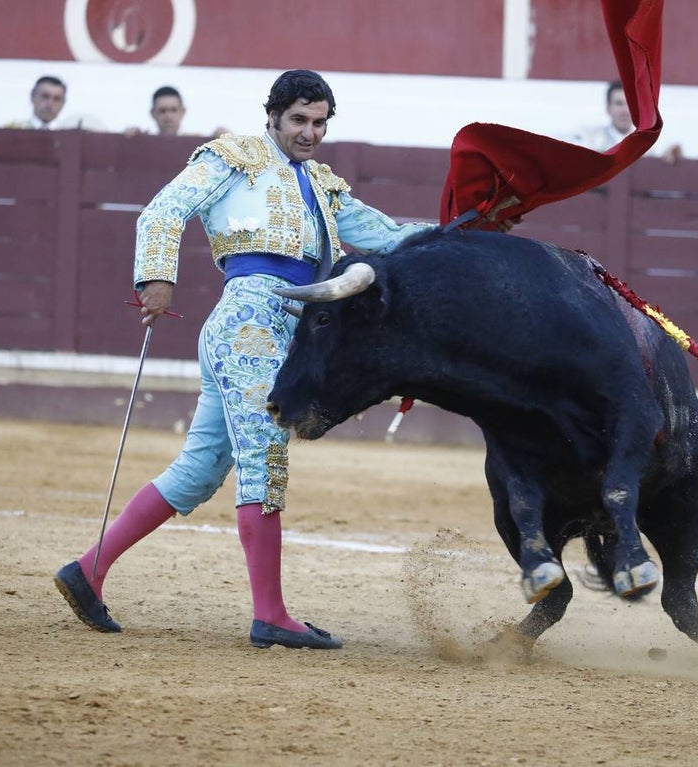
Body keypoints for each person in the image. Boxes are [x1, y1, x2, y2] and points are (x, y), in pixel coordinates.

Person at [54, 69, 435, 649]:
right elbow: (161, 211)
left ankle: (88, 571)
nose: (309, 132)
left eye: (319, 123)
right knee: (264, 459)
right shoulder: (236, 158)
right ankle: (271, 616)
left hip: (287, 332)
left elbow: (390, 236)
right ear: (274, 117)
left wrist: (466, 232)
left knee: (200, 470)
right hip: (249, 325)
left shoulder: (324, 188)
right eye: (299, 120)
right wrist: (156, 278)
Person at [0, 75, 103, 131]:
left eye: (57, 99)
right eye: (45, 96)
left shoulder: (72, 133)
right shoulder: (12, 130)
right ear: (32, 98)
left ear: (63, 104)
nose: (50, 103)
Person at [124, 85, 229, 139]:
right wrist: (128, 139)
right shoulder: (143, 142)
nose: (168, 116)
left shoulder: (197, 144)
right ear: (153, 113)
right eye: (162, 111)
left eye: (173, 110)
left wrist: (225, 139)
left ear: (182, 112)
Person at [568, 80, 633, 151]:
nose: (625, 110)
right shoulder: (590, 140)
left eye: (629, 104)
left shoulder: (644, 142)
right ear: (608, 108)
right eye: (619, 104)